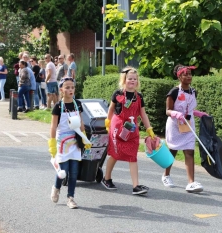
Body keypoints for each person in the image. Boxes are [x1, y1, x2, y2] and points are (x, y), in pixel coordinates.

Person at [101, 66, 155, 195]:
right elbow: (111, 109)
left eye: (135, 79)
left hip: (132, 130)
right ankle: (106, 178)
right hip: (117, 128)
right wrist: (108, 122)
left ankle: (136, 186)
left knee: (132, 156)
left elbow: (143, 114)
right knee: (115, 154)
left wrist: (149, 129)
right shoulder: (118, 94)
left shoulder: (139, 97)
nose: (132, 81)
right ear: (124, 80)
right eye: (130, 78)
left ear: (137, 81)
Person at [162, 64, 208, 193]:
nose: (189, 76)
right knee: (173, 151)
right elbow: (167, 110)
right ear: (179, 77)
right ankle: (166, 175)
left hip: (188, 124)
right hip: (175, 124)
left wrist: (199, 114)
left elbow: (190, 108)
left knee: (189, 151)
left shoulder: (193, 92)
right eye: (186, 74)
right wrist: (175, 113)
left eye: (190, 74)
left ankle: (191, 183)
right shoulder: (174, 92)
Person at [48, 77, 91, 209]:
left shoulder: (78, 104)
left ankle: (70, 198)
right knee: (63, 171)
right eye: (67, 87)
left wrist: (85, 139)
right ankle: (56, 187)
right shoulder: (58, 106)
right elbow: (54, 127)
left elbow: (82, 123)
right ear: (61, 89)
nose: (70, 89)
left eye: (72, 87)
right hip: (62, 143)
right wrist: (52, 144)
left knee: (74, 172)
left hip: (75, 142)